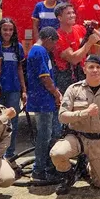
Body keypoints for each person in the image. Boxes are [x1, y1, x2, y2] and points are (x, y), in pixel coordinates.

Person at [49, 55, 100, 195]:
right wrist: (84, 113)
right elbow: (62, 116)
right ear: (84, 69)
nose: (95, 70)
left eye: (98, 67)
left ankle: (87, 165)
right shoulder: (74, 90)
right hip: (77, 136)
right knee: (57, 153)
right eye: (91, 67)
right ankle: (68, 175)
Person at [26, 27, 63, 182]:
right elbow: (45, 77)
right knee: (44, 135)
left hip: (45, 100)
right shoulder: (39, 52)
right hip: (42, 100)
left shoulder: (39, 51)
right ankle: (39, 169)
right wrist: (56, 93)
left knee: (52, 133)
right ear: (48, 38)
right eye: (53, 43)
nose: (54, 47)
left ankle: (48, 165)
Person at [0, 18, 27, 160]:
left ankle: (10, 153)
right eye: (4, 29)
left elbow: (20, 69)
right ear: (0, 30)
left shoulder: (17, 47)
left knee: (12, 122)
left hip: (13, 89)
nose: (7, 32)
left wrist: (24, 89)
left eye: (10, 30)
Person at [53, 2, 100, 93]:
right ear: (59, 18)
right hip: (66, 78)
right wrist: (89, 43)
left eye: (73, 12)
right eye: (68, 13)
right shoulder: (58, 37)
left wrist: (91, 29)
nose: (72, 15)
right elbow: (73, 59)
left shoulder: (79, 28)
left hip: (82, 74)